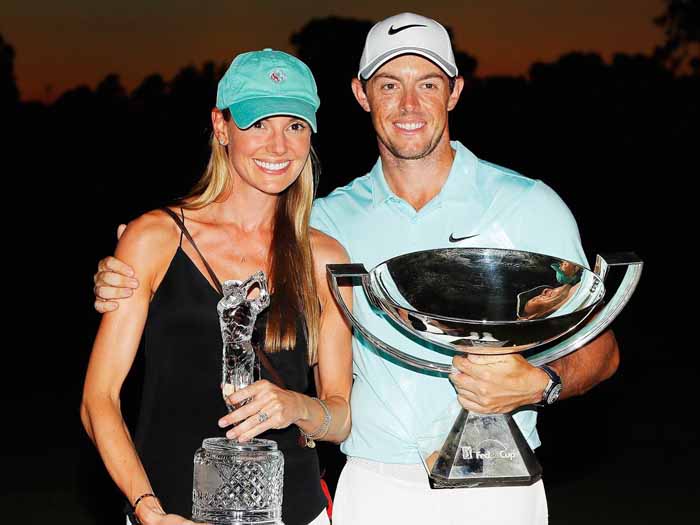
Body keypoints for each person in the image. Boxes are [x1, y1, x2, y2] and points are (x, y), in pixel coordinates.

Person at [92, 13, 620, 525]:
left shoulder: (527, 205)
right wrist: (125, 265)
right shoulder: (328, 222)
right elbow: (219, 247)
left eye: (428, 84)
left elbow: (600, 347)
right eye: (389, 85)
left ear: (455, 91)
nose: (409, 104)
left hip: (496, 485)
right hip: (372, 485)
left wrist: (540, 384)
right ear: (361, 95)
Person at [81, 49, 352, 525]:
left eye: (295, 125)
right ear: (222, 127)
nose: (278, 145)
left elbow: (339, 417)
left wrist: (295, 406)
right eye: (257, 124)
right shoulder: (155, 238)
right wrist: (148, 509)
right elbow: (98, 399)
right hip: (170, 515)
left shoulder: (325, 257)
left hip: (296, 512)